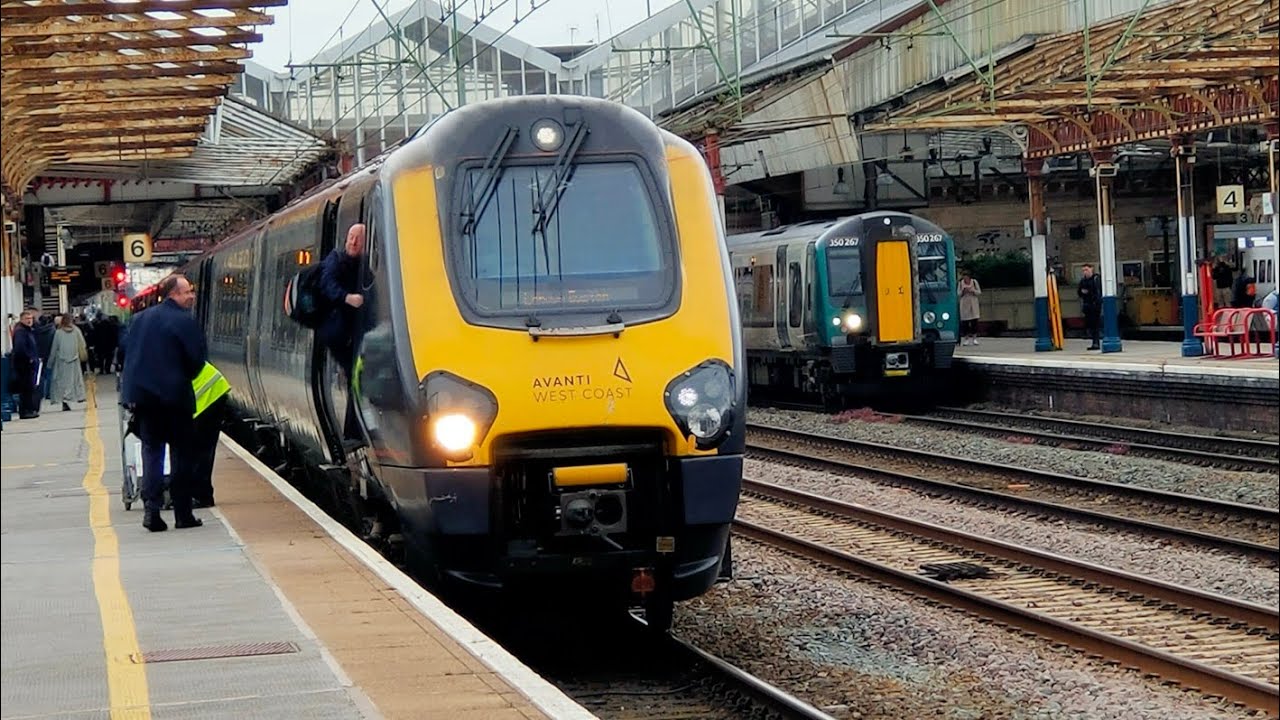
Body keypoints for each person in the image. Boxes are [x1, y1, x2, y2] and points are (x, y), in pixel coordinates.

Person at [120, 274, 208, 533]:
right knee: (182, 454)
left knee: (152, 453)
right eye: (187, 292)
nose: (191, 296)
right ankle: (183, 513)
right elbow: (197, 360)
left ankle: (152, 511)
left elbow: (126, 354)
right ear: (174, 294)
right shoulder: (184, 321)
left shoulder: (139, 319)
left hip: (145, 401)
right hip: (175, 399)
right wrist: (181, 377)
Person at [319, 223, 367, 447]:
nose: (353, 242)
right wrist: (347, 298)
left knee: (357, 375)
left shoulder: (364, 265)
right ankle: (352, 432)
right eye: (350, 237)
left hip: (354, 333)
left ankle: (355, 429)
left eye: (358, 238)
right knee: (354, 375)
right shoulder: (335, 260)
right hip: (338, 334)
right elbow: (327, 284)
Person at [189, 361, 231, 508]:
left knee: (200, 448)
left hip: (210, 394)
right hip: (210, 390)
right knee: (200, 449)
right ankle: (200, 493)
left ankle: (202, 496)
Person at [48, 314, 87, 412]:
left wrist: (50, 363)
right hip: (74, 359)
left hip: (61, 361)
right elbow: (82, 344)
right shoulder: (76, 331)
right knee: (75, 379)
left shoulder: (58, 333)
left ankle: (64, 399)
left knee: (62, 381)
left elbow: (54, 348)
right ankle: (78, 396)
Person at [9, 309, 42, 419]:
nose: (29, 321)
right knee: (26, 388)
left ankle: (29, 409)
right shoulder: (21, 332)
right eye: (27, 319)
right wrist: (30, 358)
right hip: (24, 365)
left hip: (27, 363)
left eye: (31, 318)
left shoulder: (27, 330)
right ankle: (25, 411)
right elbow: (20, 348)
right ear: (21, 319)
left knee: (28, 388)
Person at [1077, 263, 1102, 351]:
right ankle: (1093, 341)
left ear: (1091, 269)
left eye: (1086, 270)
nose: (1085, 272)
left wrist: (1089, 293)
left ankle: (1096, 342)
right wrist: (1082, 292)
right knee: (1090, 324)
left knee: (1095, 324)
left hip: (1095, 305)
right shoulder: (1083, 281)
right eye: (1083, 270)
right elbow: (1079, 292)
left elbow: (1098, 291)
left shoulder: (1096, 279)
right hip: (1087, 305)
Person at [957, 270, 982, 346]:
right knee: (965, 323)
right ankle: (966, 339)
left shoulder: (974, 282)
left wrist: (972, 290)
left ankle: (974, 338)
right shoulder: (960, 283)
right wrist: (963, 291)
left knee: (974, 322)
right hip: (964, 304)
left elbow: (979, 292)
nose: (965, 278)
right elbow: (958, 293)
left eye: (966, 277)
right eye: (964, 277)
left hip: (973, 304)